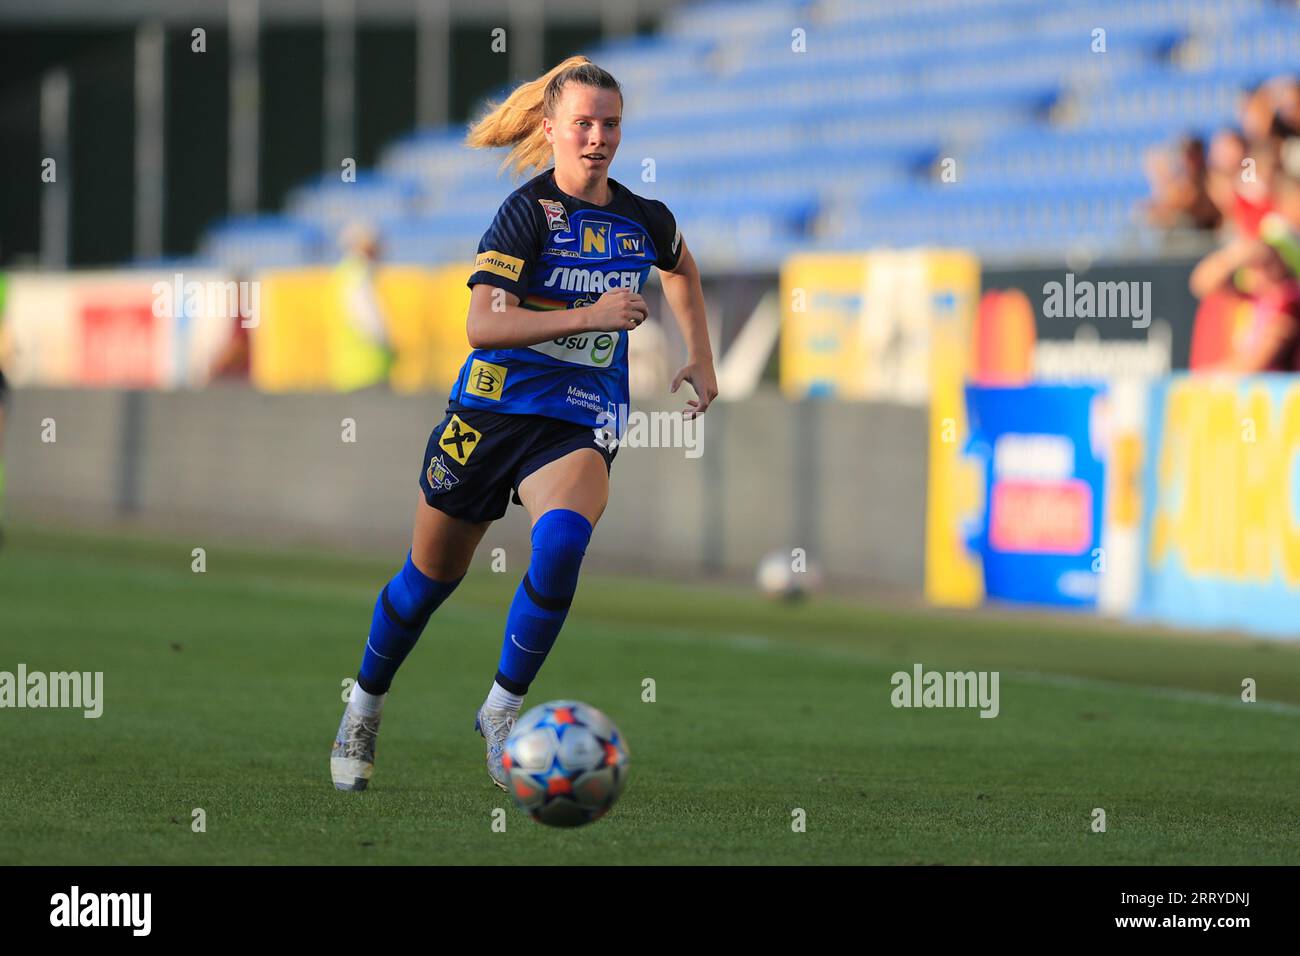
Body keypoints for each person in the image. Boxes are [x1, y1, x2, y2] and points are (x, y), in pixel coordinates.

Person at [330, 55, 718, 792]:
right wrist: (592, 315)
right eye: (584, 124)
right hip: (492, 409)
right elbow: (482, 324)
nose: (598, 137)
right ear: (552, 129)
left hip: (577, 415)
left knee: (564, 539)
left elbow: (681, 269)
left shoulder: (643, 218)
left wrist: (701, 356)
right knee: (428, 580)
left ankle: (503, 709)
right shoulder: (525, 213)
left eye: (610, 124)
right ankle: (364, 706)